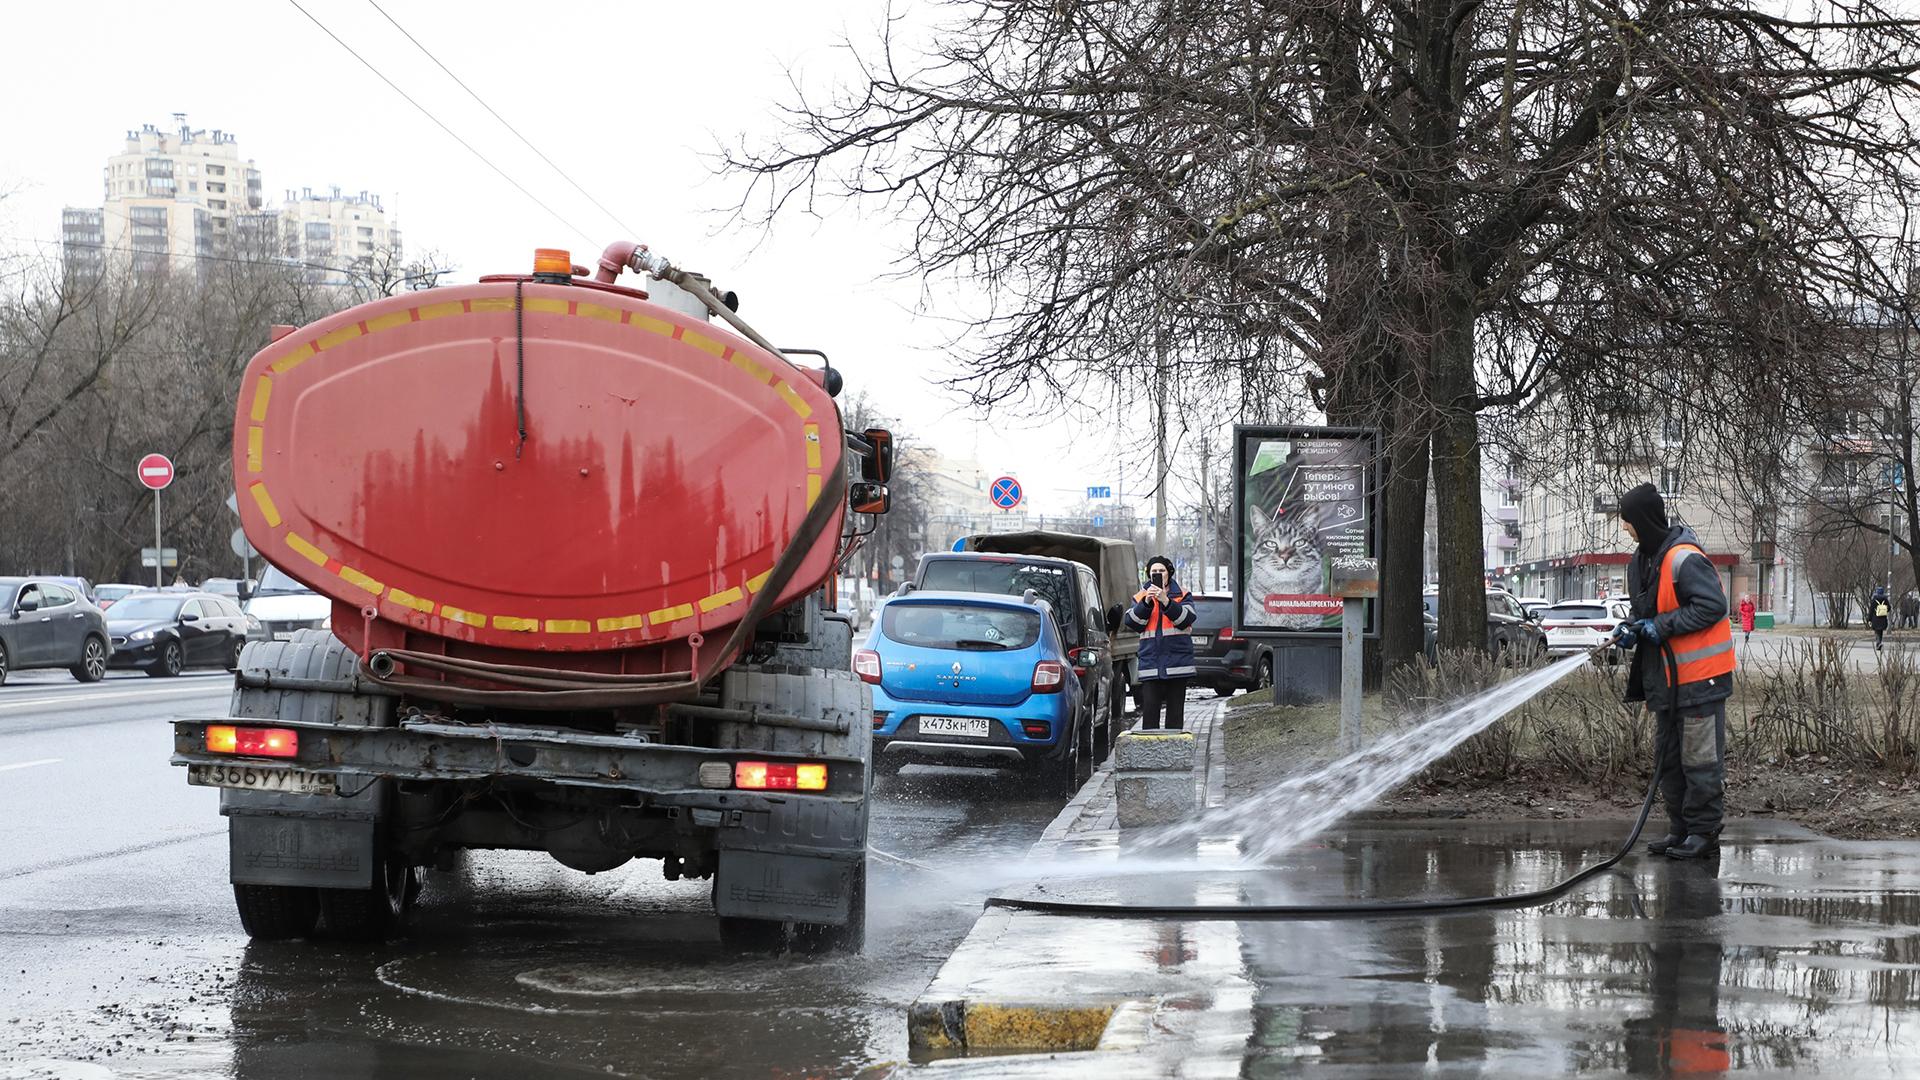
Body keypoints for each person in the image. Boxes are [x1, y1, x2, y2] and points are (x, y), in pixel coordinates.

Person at [1613, 483, 1735, 860]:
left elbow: (1713, 606)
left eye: (1628, 521)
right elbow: (1647, 609)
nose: (1625, 529)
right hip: (1666, 680)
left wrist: (1660, 627)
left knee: (1699, 761)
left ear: (1644, 520)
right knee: (1669, 761)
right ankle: (1681, 829)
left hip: (1700, 678)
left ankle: (1704, 834)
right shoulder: (1641, 561)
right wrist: (1632, 627)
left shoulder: (1684, 558)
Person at [1126, 555, 1196, 731]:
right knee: (1149, 715)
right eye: (1154, 571)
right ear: (1149, 574)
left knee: (1174, 716)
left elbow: (1185, 620)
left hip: (1177, 664)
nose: (1158, 574)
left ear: (1169, 573)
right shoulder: (1141, 596)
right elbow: (1132, 623)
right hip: (1151, 664)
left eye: (1161, 571)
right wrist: (1147, 603)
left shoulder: (1183, 594)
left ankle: (1174, 754)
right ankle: (1150, 753)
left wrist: (1166, 601)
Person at [1871, 586, 1891, 651]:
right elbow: (1889, 608)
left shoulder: (1874, 599)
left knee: (1876, 631)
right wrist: (1884, 611)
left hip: (1875, 618)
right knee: (1881, 631)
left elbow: (1871, 609)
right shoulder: (1885, 599)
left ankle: (1878, 643)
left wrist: (1869, 618)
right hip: (1882, 618)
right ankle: (1879, 642)